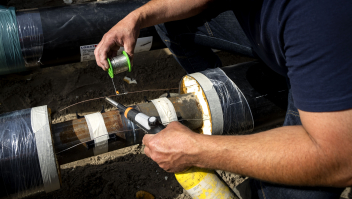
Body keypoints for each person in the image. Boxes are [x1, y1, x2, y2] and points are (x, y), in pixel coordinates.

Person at [94, 0, 352, 198]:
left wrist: (196, 151)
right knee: (167, 19)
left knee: (279, 189)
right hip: (301, 41)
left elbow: (340, 159)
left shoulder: (316, 14)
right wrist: (136, 17)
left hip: (323, 54)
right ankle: (223, 103)